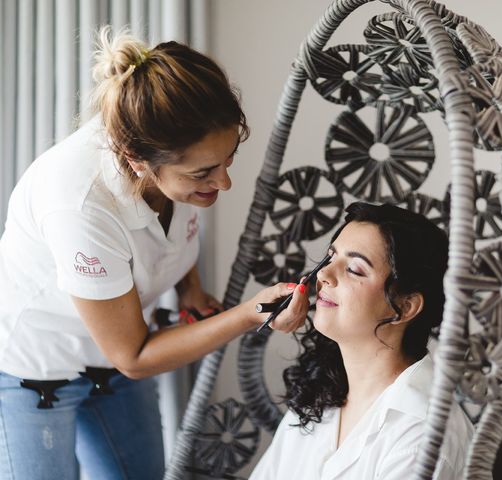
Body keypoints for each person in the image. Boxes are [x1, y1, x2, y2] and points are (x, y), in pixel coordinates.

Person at [0, 27, 309, 480]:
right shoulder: (79, 205)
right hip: (35, 372)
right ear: (137, 159)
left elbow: (169, 237)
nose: (224, 184)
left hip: (116, 357)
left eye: (228, 159)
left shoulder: (167, 157)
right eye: (204, 172)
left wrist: (192, 288)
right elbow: (135, 357)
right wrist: (248, 315)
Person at [250, 202, 474, 479]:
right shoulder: (319, 393)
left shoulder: (422, 436)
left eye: (354, 269)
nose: (323, 275)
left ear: (404, 307)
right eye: (329, 259)